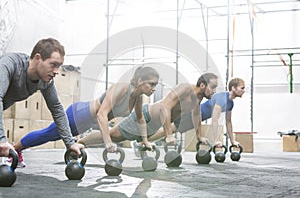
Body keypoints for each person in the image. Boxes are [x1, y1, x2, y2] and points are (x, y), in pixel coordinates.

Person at [12, 66, 159, 166]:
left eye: (155, 85)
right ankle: (13, 150)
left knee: (52, 135)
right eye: (151, 84)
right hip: (78, 115)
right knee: (48, 135)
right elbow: (102, 114)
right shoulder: (121, 88)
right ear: (140, 81)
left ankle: (16, 150)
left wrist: (145, 142)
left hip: (85, 123)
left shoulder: (138, 98)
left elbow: (140, 119)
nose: (153, 89)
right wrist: (107, 143)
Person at [0, 38, 84, 165]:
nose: (56, 71)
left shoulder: (46, 82)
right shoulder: (9, 64)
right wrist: (1, 139)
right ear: (38, 58)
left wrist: (70, 143)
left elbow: (57, 110)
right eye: (53, 64)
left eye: (59, 66)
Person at [77, 73, 218, 148]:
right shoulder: (186, 88)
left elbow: (196, 116)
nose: (214, 91)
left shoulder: (198, 99)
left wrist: (200, 137)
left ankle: (142, 143)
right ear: (202, 85)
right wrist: (168, 135)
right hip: (146, 116)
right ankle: (80, 142)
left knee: (121, 137)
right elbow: (164, 107)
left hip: (153, 125)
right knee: (113, 135)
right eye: (212, 87)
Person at [148, 77, 246, 147]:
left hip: (198, 117)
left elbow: (228, 122)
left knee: (171, 130)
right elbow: (215, 120)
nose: (244, 90)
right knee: (171, 129)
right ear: (233, 88)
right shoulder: (222, 98)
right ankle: (144, 141)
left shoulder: (230, 104)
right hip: (191, 116)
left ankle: (147, 139)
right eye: (242, 88)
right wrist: (216, 140)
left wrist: (233, 141)